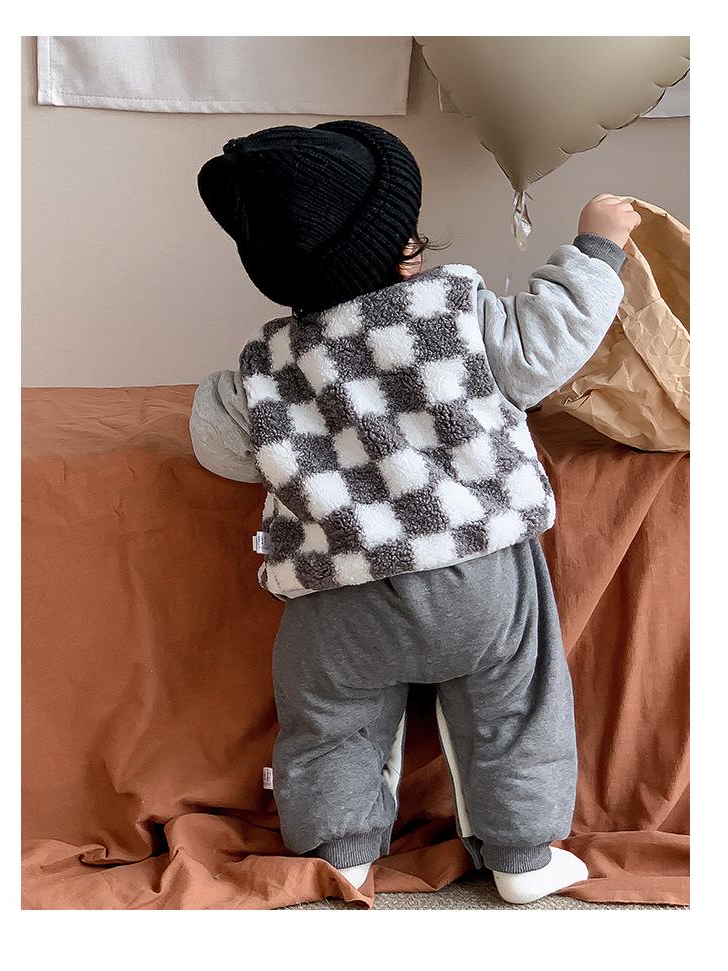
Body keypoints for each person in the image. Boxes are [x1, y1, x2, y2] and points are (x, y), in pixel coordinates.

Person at [189, 121, 639, 904]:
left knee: (330, 723)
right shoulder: (452, 311)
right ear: (405, 254)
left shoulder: (269, 363)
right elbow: (547, 342)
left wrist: (249, 402)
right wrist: (597, 249)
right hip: (477, 572)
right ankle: (522, 854)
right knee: (518, 707)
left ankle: (340, 851)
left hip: (340, 597)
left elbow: (219, 445)